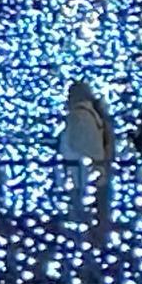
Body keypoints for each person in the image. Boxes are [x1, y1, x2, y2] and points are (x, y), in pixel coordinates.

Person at [57, 80, 111, 228]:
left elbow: (77, 143)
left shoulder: (79, 116)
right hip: (90, 170)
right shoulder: (91, 115)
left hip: (80, 173)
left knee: (82, 212)